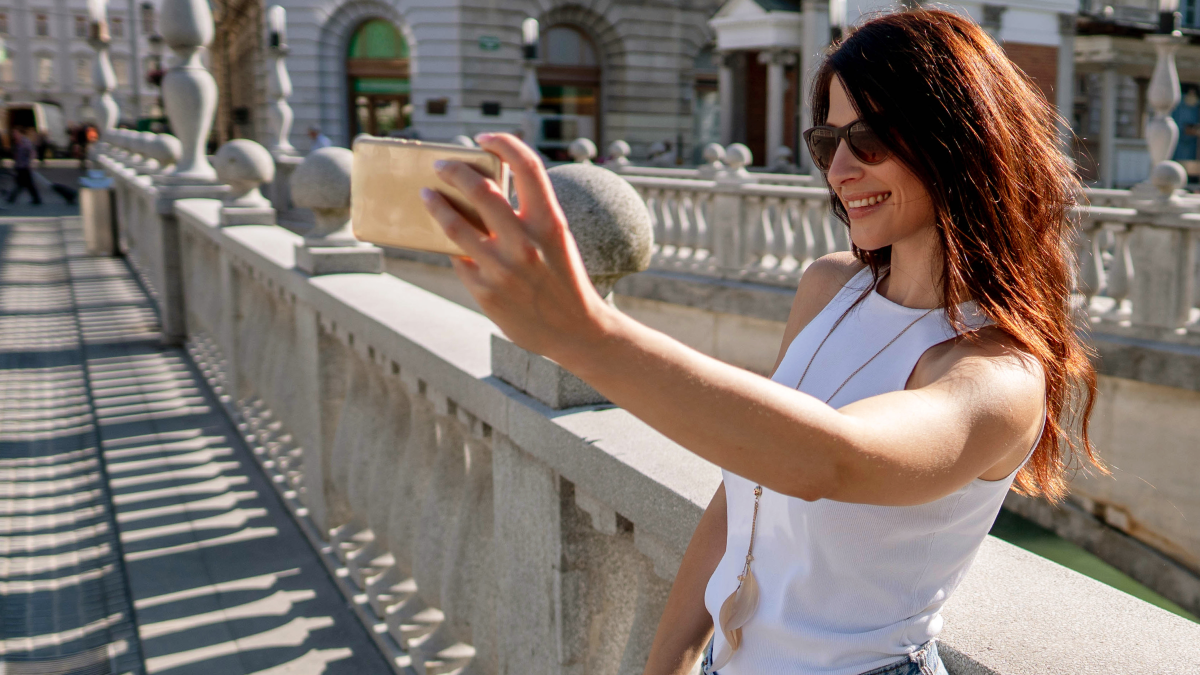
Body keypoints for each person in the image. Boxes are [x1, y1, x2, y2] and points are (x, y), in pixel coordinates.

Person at [420, 8, 1105, 675]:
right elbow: (744, 481)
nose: (839, 170)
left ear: (958, 139)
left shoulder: (998, 373)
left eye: (868, 139)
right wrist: (670, 661)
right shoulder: (829, 288)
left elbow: (828, 459)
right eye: (826, 143)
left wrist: (586, 336)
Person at [8, 128, 42, 205]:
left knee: (24, 183)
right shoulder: (17, 143)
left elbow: (32, 152)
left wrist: (31, 162)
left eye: (15, 133)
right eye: (14, 134)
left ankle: (12, 197)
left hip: (25, 166)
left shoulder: (25, 142)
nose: (14, 135)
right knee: (25, 184)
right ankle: (36, 199)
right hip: (19, 166)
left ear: (20, 133)